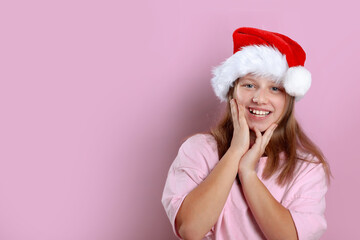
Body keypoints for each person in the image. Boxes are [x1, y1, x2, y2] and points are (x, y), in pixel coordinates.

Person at [161, 27, 331, 240]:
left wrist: (248, 173)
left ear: (289, 100)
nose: (259, 98)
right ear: (232, 91)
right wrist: (235, 152)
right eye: (249, 85)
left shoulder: (307, 168)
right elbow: (190, 229)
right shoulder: (198, 150)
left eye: (275, 89)